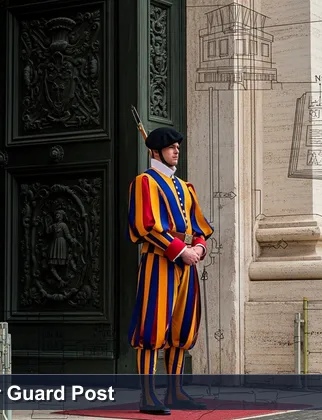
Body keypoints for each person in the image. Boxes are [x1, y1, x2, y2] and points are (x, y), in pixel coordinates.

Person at [127, 127, 214, 414]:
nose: (176, 150)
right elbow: (145, 225)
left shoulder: (186, 187)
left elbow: (199, 227)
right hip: (159, 262)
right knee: (152, 328)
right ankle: (148, 396)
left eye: (177, 146)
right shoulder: (144, 183)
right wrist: (181, 251)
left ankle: (175, 392)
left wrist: (198, 249)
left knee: (182, 327)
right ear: (155, 151)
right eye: (170, 147)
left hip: (188, 264)